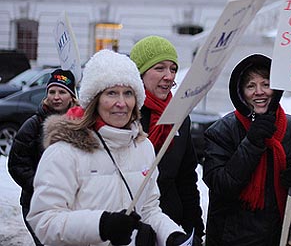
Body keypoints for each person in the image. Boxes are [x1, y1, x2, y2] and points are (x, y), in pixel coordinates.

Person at [27, 50, 193, 246]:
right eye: (111, 93)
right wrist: (101, 226)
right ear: (94, 100)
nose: (121, 103)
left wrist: (171, 235)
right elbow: (44, 221)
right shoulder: (64, 151)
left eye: (128, 93)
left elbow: (148, 209)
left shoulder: (143, 147)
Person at [202, 54, 291, 246]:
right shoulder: (221, 132)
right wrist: (252, 142)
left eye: (266, 84)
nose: (259, 92)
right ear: (240, 92)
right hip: (235, 239)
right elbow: (221, 185)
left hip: (283, 237)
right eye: (251, 86)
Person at [130, 36, 205, 245]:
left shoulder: (179, 116)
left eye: (173, 69)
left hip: (171, 225)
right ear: (140, 73)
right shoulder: (125, 115)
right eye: (160, 68)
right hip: (131, 226)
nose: (168, 76)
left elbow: (186, 177)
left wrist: (195, 227)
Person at [8, 68, 78, 246]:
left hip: (72, 205)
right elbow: (17, 164)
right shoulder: (33, 125)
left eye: (62, 92)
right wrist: (41, 187)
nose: (56, 96)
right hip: (36, 204)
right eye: (52, 91)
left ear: (71, 96)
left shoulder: (80, 124)